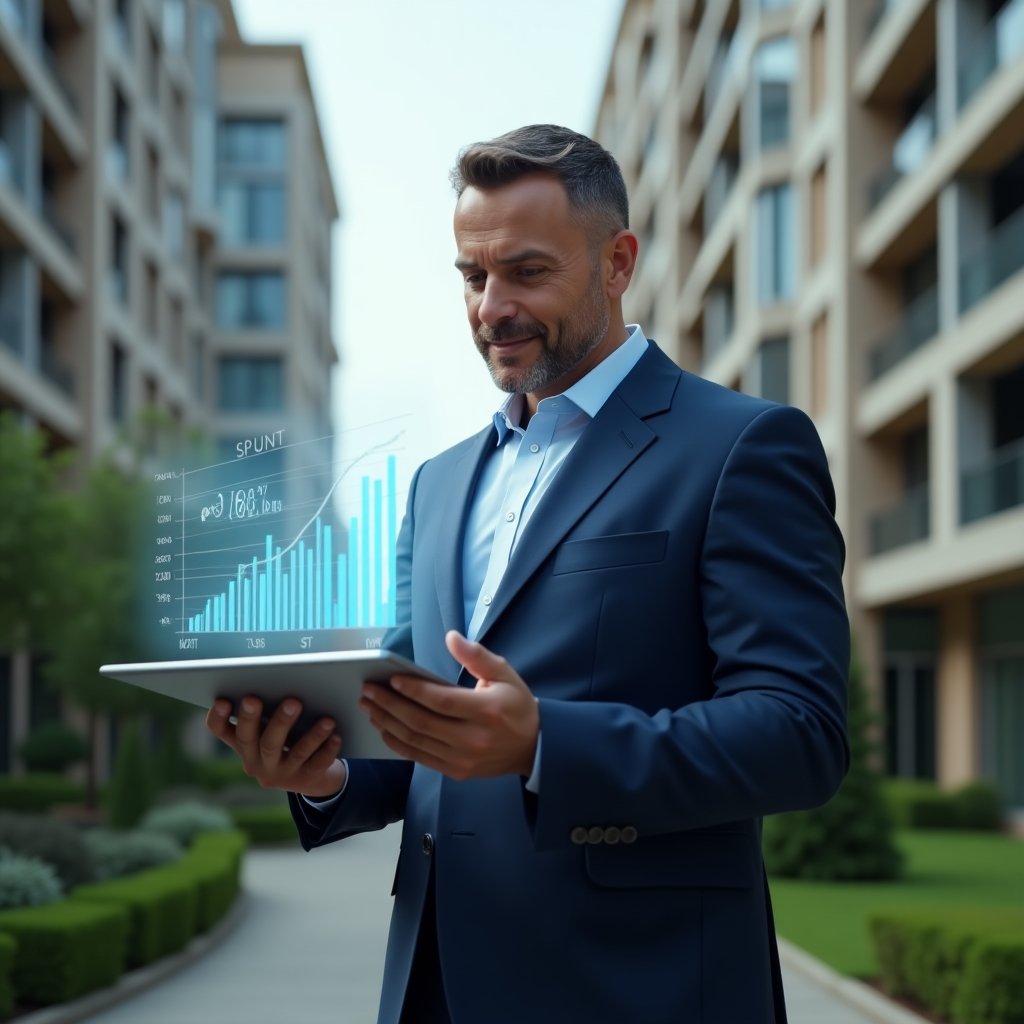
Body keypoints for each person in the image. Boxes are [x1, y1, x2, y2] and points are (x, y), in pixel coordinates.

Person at [207, 124, 850, 1024]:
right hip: (433, 983)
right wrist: (323, 773)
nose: (490, 307)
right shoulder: (438, 484)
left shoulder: (743, 446)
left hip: (638, 988)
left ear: (617, 262)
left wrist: (548, 743)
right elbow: (415, 718)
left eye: (528, 272)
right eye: (473, 276)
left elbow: (800, 732)